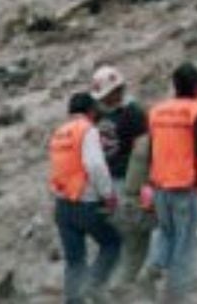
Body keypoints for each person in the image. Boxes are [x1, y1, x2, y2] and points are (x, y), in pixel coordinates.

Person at [145, 63, 197, 302]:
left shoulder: (157, 111)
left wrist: (150, 182)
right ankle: (177, 292)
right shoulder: (196, 110)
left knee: (166, 231)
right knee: (185, 239)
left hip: (159, 184)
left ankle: (154, 266)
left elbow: (151, 148)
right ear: (196, 86)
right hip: (183, 184)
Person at [49, 92, 120, 304]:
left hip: (62, 204)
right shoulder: (87, 130)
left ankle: (74, 300)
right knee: (112, 244)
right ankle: (93, 284)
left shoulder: (59, 133)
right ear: (91, 111)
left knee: (74, 261)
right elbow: (96, 165)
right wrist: (108, 195)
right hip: (86, 202)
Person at [90, 65, 150, 285]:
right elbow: (145, 147)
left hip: (101, 189)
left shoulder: (93, 116)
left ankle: (103, 286)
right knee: (137, 241)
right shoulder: (132, 113)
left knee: (120, 242)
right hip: (127, 185)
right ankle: (123, 289)